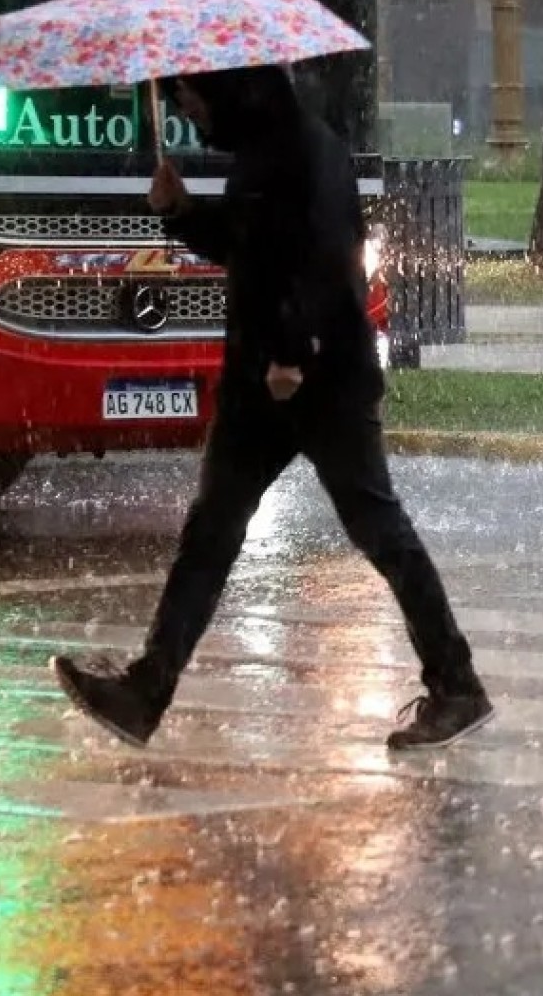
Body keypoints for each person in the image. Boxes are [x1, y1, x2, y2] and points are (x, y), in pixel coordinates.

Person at [50, 65, 494, 751]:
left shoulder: (295, 154)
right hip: (269, 382)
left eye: (193, 97)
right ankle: (147, 689)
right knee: (213, 532)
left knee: (375, 526)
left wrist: (291, 351)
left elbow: (319, 261)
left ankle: (456, 684)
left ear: (230, 90)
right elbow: (248, 249)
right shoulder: (270, 152)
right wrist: (182, 212)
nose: (189, 113)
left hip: (313, 378)